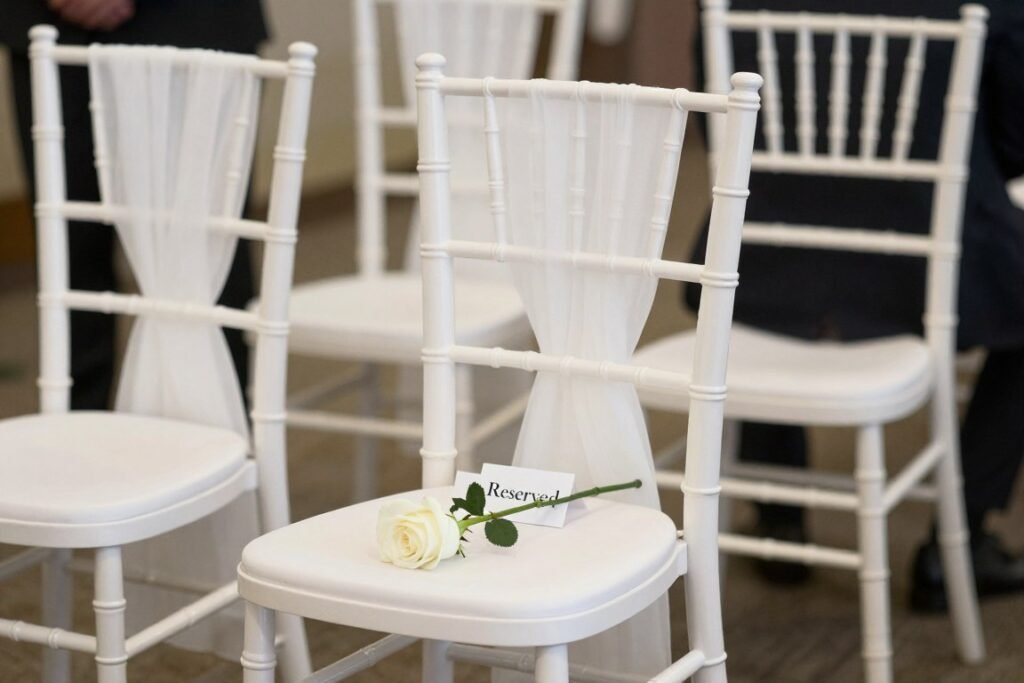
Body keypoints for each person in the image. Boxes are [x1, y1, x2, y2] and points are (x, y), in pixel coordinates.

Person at [685, 0, 1024, 610]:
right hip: (926, 267)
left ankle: (780, 521)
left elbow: (722, 125)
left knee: (767, 248)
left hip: (762, 263)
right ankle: (961, 537)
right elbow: (1017, 139)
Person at [1, 0, 268, 409]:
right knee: (68, 261)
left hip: (195, 23)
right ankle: (80, 435)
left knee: (202, 266)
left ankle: (217, 435)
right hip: (43, 25)